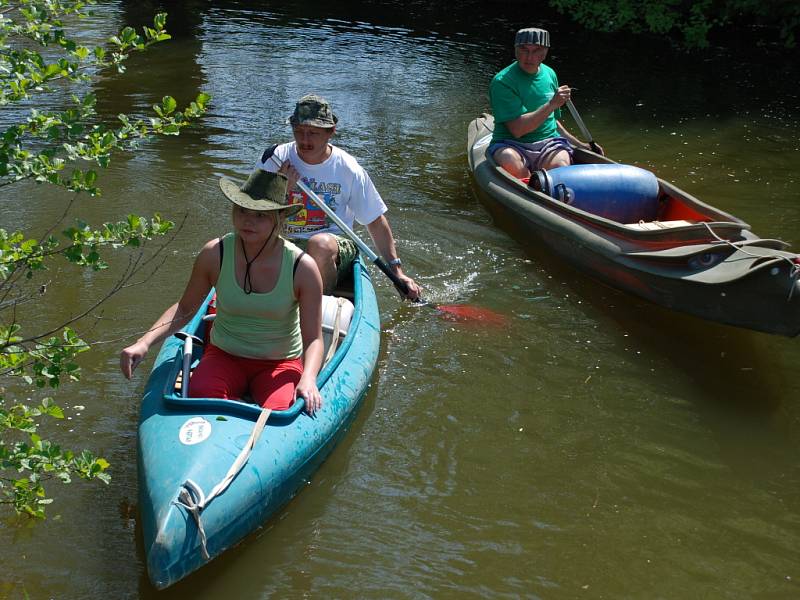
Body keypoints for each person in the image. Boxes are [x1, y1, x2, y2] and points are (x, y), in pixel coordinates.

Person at [119, 170, 325, 414]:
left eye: (260, 215)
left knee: (281, 410)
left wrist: (309, 378)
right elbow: (185, 308)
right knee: (201, 396)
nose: (248, 221)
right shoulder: (214, 254)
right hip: (224, 355)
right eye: (242, 210)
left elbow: (313, 338)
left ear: (279, 218)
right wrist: (144, 343)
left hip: (279, 364)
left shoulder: (302, 268)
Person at [255, 94, 421, 300]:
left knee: (320, 244)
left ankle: (316, 304)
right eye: (299, 131)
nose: (304, 140)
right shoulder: (275, 158)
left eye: (313, 133)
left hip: (333, 246)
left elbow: (375, 222)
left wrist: (397, 271)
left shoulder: (348, 168)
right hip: (284, 241)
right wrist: (281, 189)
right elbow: (251, 213)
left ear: (331, 132)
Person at [489, 27, 603, 179]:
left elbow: (552, 121)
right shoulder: (502, 82)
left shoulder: (550, 74)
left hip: (548, 143)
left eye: (536, 50)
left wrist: (581, 145)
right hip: (511, 143)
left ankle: (550, 190)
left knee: (560, 166)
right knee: (512, 163)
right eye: (524, 50)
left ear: (545, 52)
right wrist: (551, 104)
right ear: (515, 49)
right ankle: (530, 190)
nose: (529, 57)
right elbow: (518, 130)